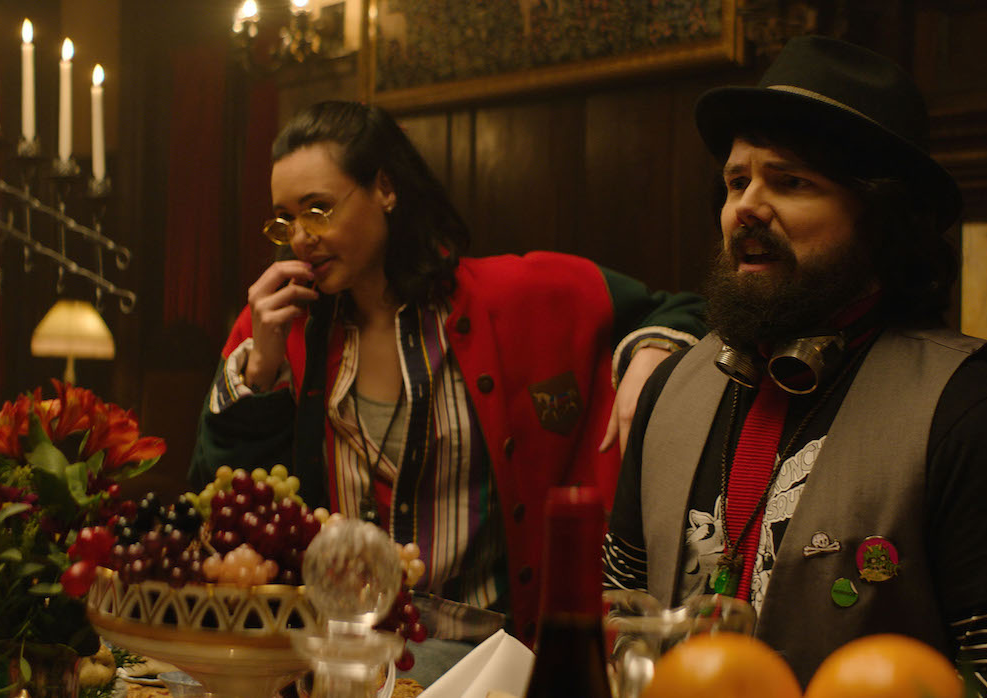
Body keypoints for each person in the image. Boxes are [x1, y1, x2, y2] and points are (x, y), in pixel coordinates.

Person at [602, 36, 987, 696]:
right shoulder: (671, 387)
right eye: (736, 181)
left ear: (881, 220)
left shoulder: (976, 416)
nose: (746, 205)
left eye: (791, 181)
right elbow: (616, 613)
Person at [189, 101, 705, 682]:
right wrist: (260, 368)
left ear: (384, 188)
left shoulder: (513, 296)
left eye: (318, 209)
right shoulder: (280, 328)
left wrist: (651, 351)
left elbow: (682, 308)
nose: (300, 239)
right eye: (284, 220)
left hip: (489, 663)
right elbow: (222, 508)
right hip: (335, 663)